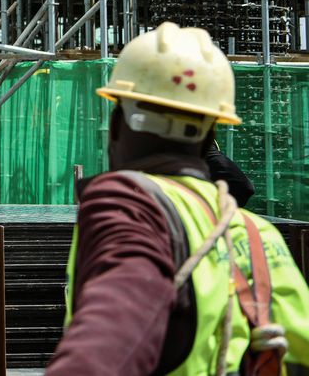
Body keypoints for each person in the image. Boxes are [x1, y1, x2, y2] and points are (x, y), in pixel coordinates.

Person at [48, 22, 309, 375]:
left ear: (116, 125)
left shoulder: (130, 205)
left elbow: (104, 352)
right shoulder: (258, 237)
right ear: (210, 135)